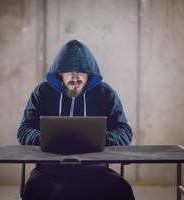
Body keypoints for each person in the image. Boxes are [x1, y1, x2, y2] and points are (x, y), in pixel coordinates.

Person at [17, 40, 135, 200]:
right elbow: (24, 129)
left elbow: (124, 131)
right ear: (59, 73)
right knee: (35, 190)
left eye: (81, 70)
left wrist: (101, 139)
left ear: (89, 73)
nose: (75, 77)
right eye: (69, 71)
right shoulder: (42, 92)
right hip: (49, 170)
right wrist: (43, 138)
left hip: (96, 170)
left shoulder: (106, 93)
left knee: (121, 190)